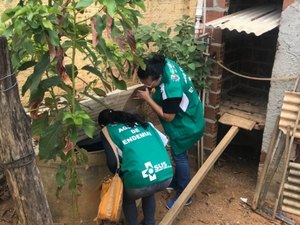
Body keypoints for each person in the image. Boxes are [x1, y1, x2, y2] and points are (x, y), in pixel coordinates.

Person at [135, 54, 205, 209]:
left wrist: (148, 99)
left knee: (179, 157)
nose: (147, 87)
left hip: (187, 124)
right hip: (192, 112)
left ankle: (184, 195)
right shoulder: (164, 63)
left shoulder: (171, 90)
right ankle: (177, 181)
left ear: (157, 77)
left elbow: (168, 117)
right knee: (180, 155)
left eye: (148, 84)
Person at [98, 109, 173, 225]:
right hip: (165, 175)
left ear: (102, 125)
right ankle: (150, 222)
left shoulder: (107, 131)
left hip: (139, 183)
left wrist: (121, 176)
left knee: (128, 198)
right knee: (148, 190)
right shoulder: (143, 124)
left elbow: (112, 163)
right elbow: (162, 143)